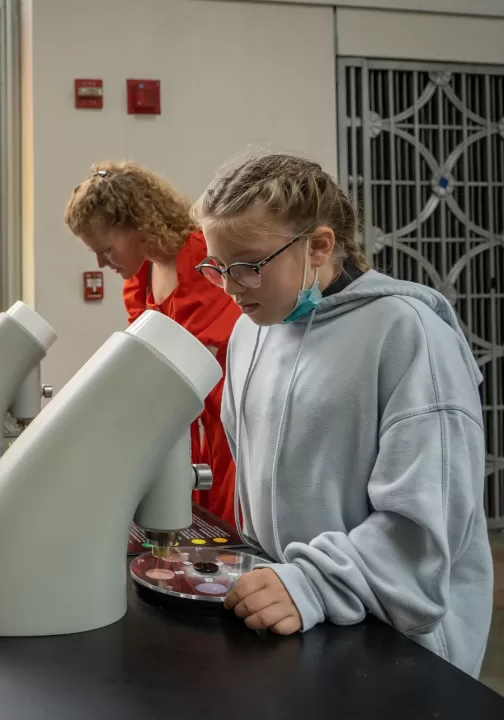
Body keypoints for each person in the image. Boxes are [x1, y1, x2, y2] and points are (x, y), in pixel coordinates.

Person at [190, 152, 493, 677]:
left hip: (403, 646)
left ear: (318, 246)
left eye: (249, 265)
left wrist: (312, 582)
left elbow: (424, 531)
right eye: (217, 267)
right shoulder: (250, 332)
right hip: (305, 622)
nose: (232, 287)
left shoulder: (408, 333)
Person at [65, 161, 241, 523]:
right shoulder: (139, 281)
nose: (101, 262)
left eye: (107, 249)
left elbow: (187, 368)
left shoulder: (204, 261)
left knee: (221, 528)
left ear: (138, 225)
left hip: (224, 433)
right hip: (183, 432)